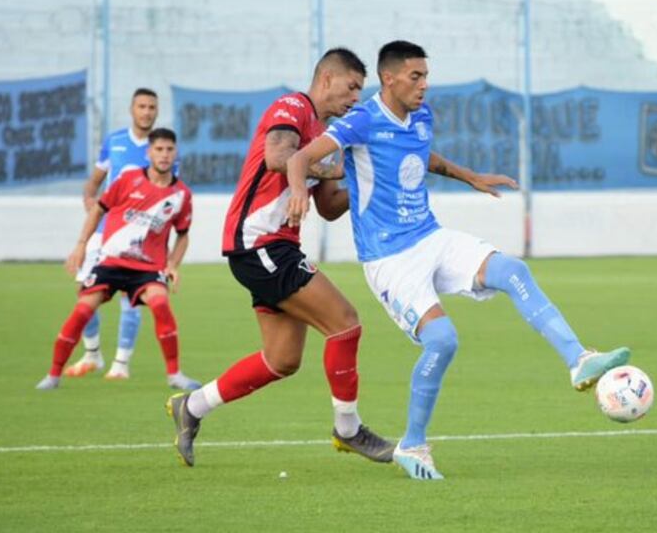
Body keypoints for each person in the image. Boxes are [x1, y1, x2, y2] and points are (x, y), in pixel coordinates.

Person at [286, 40, 631, 480]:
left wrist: (469, 176)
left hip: (430, 235)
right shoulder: (362, 120)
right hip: (390, 258)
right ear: (389, 78)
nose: (424, 85)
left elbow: (419, 153)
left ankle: (578, 359)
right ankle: (413, 444)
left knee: (511, 270)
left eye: (426, 76)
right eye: (416, 76)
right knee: (443, 340)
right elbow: (300, 158)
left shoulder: (422, 115)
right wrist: (299, 190)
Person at [165, 48, 394, 468]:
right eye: (351, 87)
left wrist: (371, 183)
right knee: (345, 323)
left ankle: (192, 407)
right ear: (326, 79)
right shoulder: (292, 107)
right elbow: (277, 157)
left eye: (361, 91)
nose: (355, 98)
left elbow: (328, 206)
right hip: (259, 242)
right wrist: (332, 168)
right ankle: (348, 429)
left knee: (282, 359)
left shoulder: (328, 137)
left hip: (275, 248)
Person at [36, 128, 200, 391]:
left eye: (169, 149)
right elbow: (98, 210)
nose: (164, 155)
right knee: (82, 310)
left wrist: (172, 265)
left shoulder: (181, 195)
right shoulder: (127, 179)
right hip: (111, 262)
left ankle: (174, 375)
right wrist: (80, 246)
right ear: (149, 152)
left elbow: (183, 235)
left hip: (148, 268)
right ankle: (53, 375)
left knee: (160, 304)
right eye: (159, 149)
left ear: (175, 153)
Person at [65, 87, 165, 382]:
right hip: (102, 230)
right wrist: (89, 200)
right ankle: (92, 353)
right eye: (142, 106)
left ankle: (121, 363)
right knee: (85, 289)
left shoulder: (162, 148)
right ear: (132, 110)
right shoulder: (115, 142)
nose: (147, 112)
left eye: (151, 107)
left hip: (136, 237)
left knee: (129, 296)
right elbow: (94, 181)